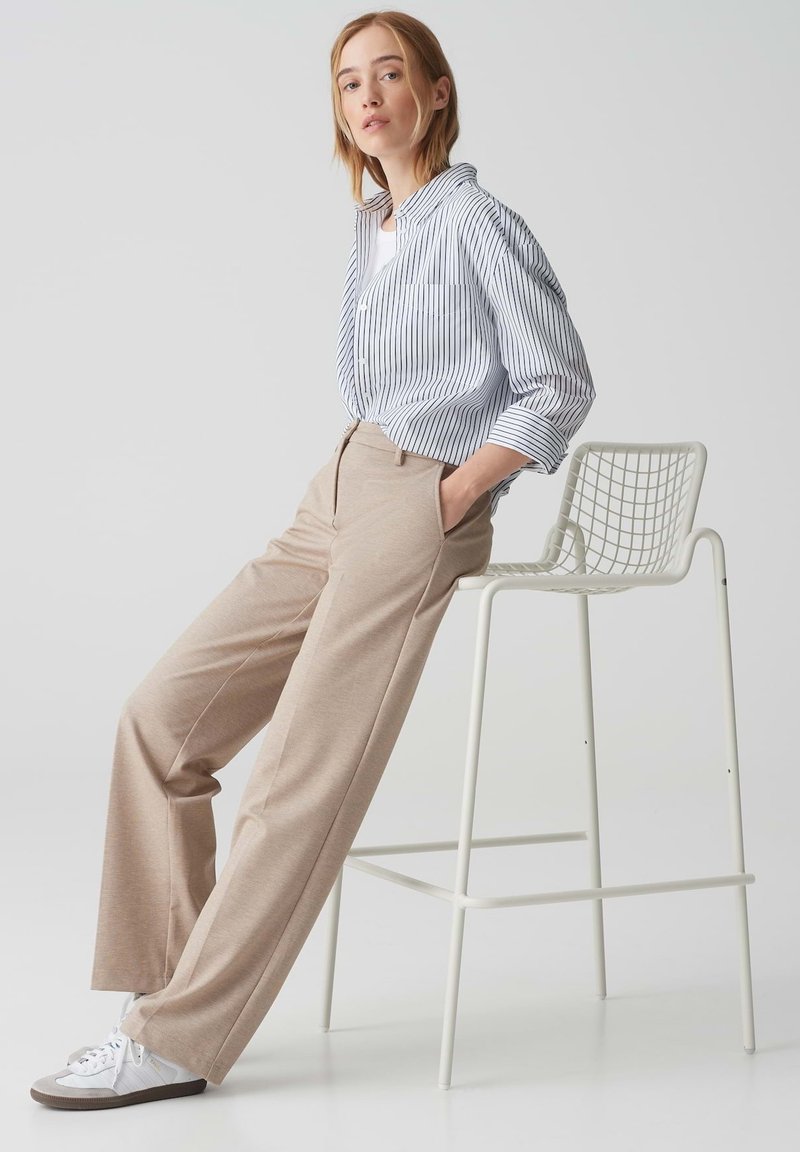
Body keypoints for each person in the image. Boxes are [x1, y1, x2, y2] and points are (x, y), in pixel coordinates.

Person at [31, 9, 595, 1109]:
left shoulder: (475, 222)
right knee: (158, 721)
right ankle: (165, 992)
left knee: (295, 775)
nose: (368, 96)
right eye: (348, 82)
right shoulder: (374, 223)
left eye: (390, 74)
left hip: (415, 499)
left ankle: (176, 1041)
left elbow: (559, 382)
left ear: (436, 91)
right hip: (335, 489)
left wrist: (451, 497)